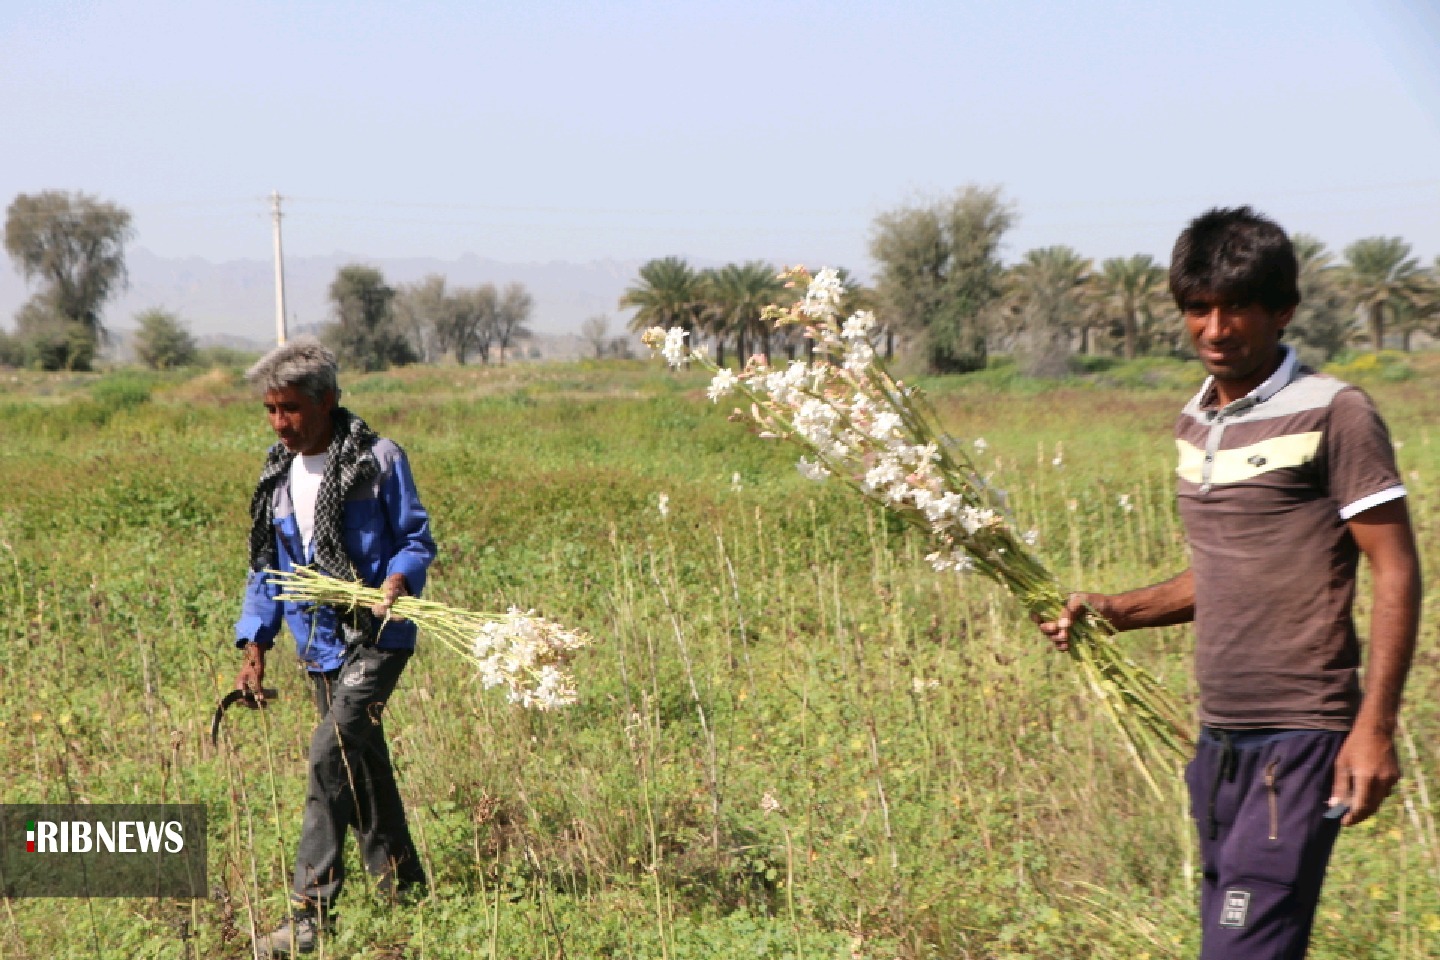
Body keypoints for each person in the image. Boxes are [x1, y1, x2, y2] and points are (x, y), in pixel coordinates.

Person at [1036, 207, 1421, 959]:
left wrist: (1372, 729)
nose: (1216, 327)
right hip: (1219, 738)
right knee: (1236, 939)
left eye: (1236, 306)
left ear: (1282, 310)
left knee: (1241, 948)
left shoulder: (1335, 412)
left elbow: (1397, 571)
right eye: (1198, 307)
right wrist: (1118, 610)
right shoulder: (1195, 423)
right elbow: (1225, 572)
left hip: (1300, 733)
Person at [234, 338, 436, 957]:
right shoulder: (277, 471)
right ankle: (407, 890)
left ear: (327, 401)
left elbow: (416, 538)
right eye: (270, 409)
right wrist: (254, 645)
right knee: (361, 766)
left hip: (376, 638)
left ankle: (308, 915)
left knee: (327, 758)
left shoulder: (377, 459)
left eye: (290, 408)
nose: (279, 422)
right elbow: (271, 569)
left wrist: (399, 577)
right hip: (316, 644)